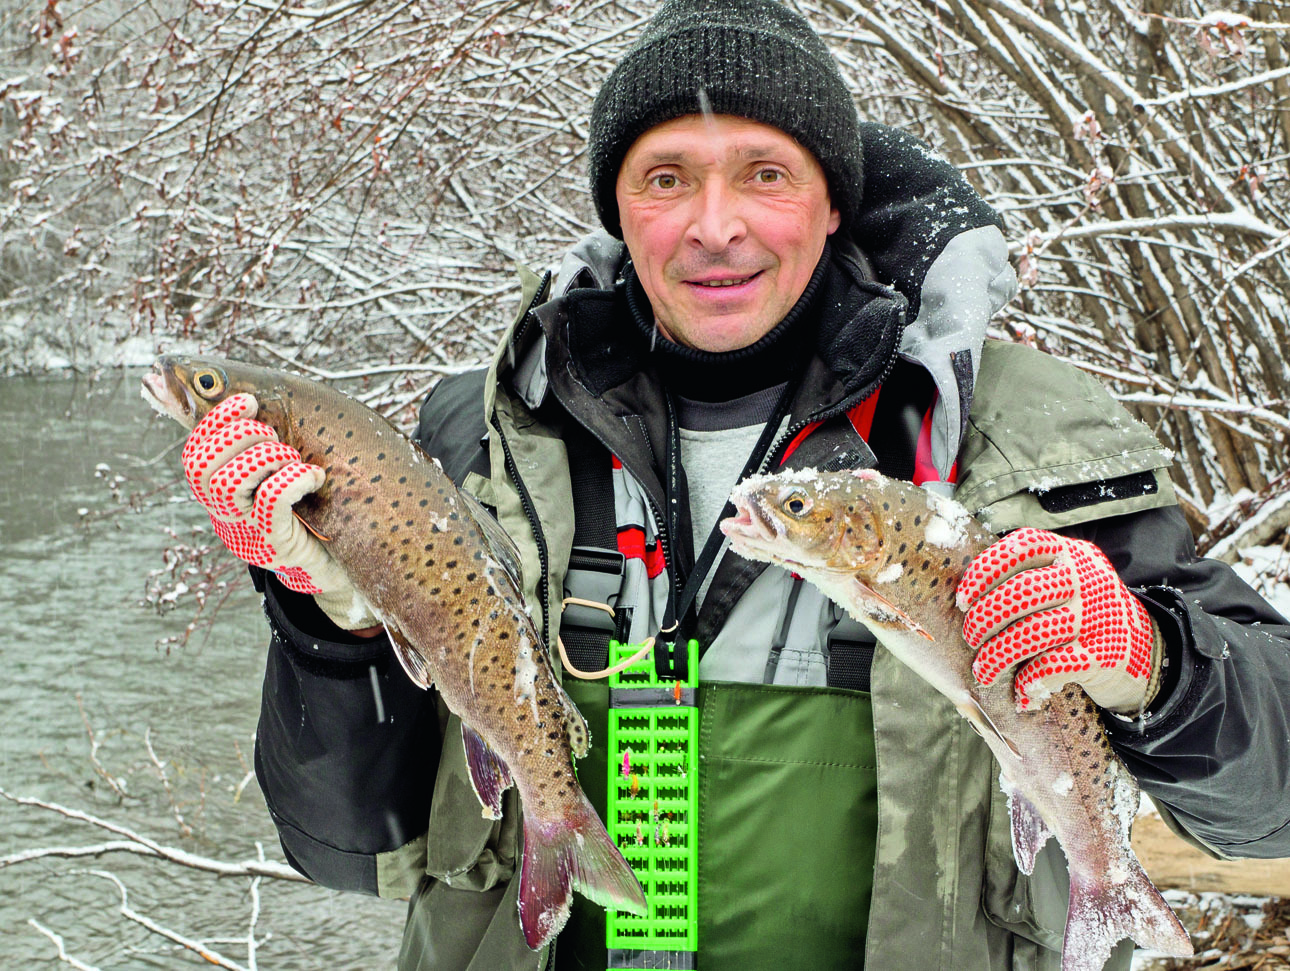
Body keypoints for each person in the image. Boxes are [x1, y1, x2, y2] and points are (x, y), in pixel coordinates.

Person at [179, 2, 1290, 969]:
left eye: (765, 173)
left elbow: (1270, 801)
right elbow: (346, 848)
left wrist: (1156, 660)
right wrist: (333, 621)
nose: (716, 225)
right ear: (620, 209)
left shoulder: (1021, 433)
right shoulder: (473, 438)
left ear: (833, 202)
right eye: (667, 178)